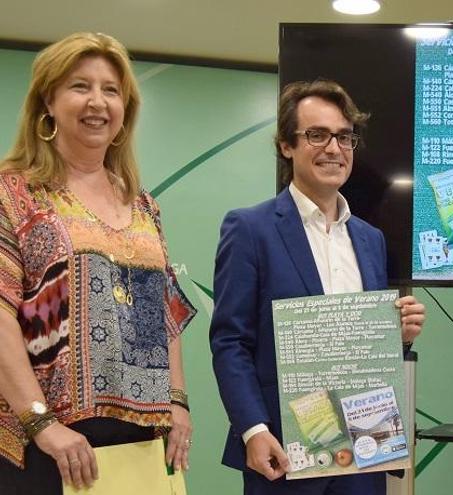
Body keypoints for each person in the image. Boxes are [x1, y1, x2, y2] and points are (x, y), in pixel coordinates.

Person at [0, 33, 196, 494]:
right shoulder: (14, 194)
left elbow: (163, 317)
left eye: (111, 90)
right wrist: (42, 424)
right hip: (50, 449)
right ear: (47, 101)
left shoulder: (144, 206)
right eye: (79, 86)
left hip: (144, 447)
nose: (97, 102)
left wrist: (178, 402)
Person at [209, 79, 426, 495]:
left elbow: (362, 352)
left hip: (366, 447)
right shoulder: (250, 229)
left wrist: (394, 336)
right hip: (283, 452)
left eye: (344, 137)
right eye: (317, 135)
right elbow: (230, 342)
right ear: (286, 146)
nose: (334, 148)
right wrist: (253, 430)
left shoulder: (370, 239)